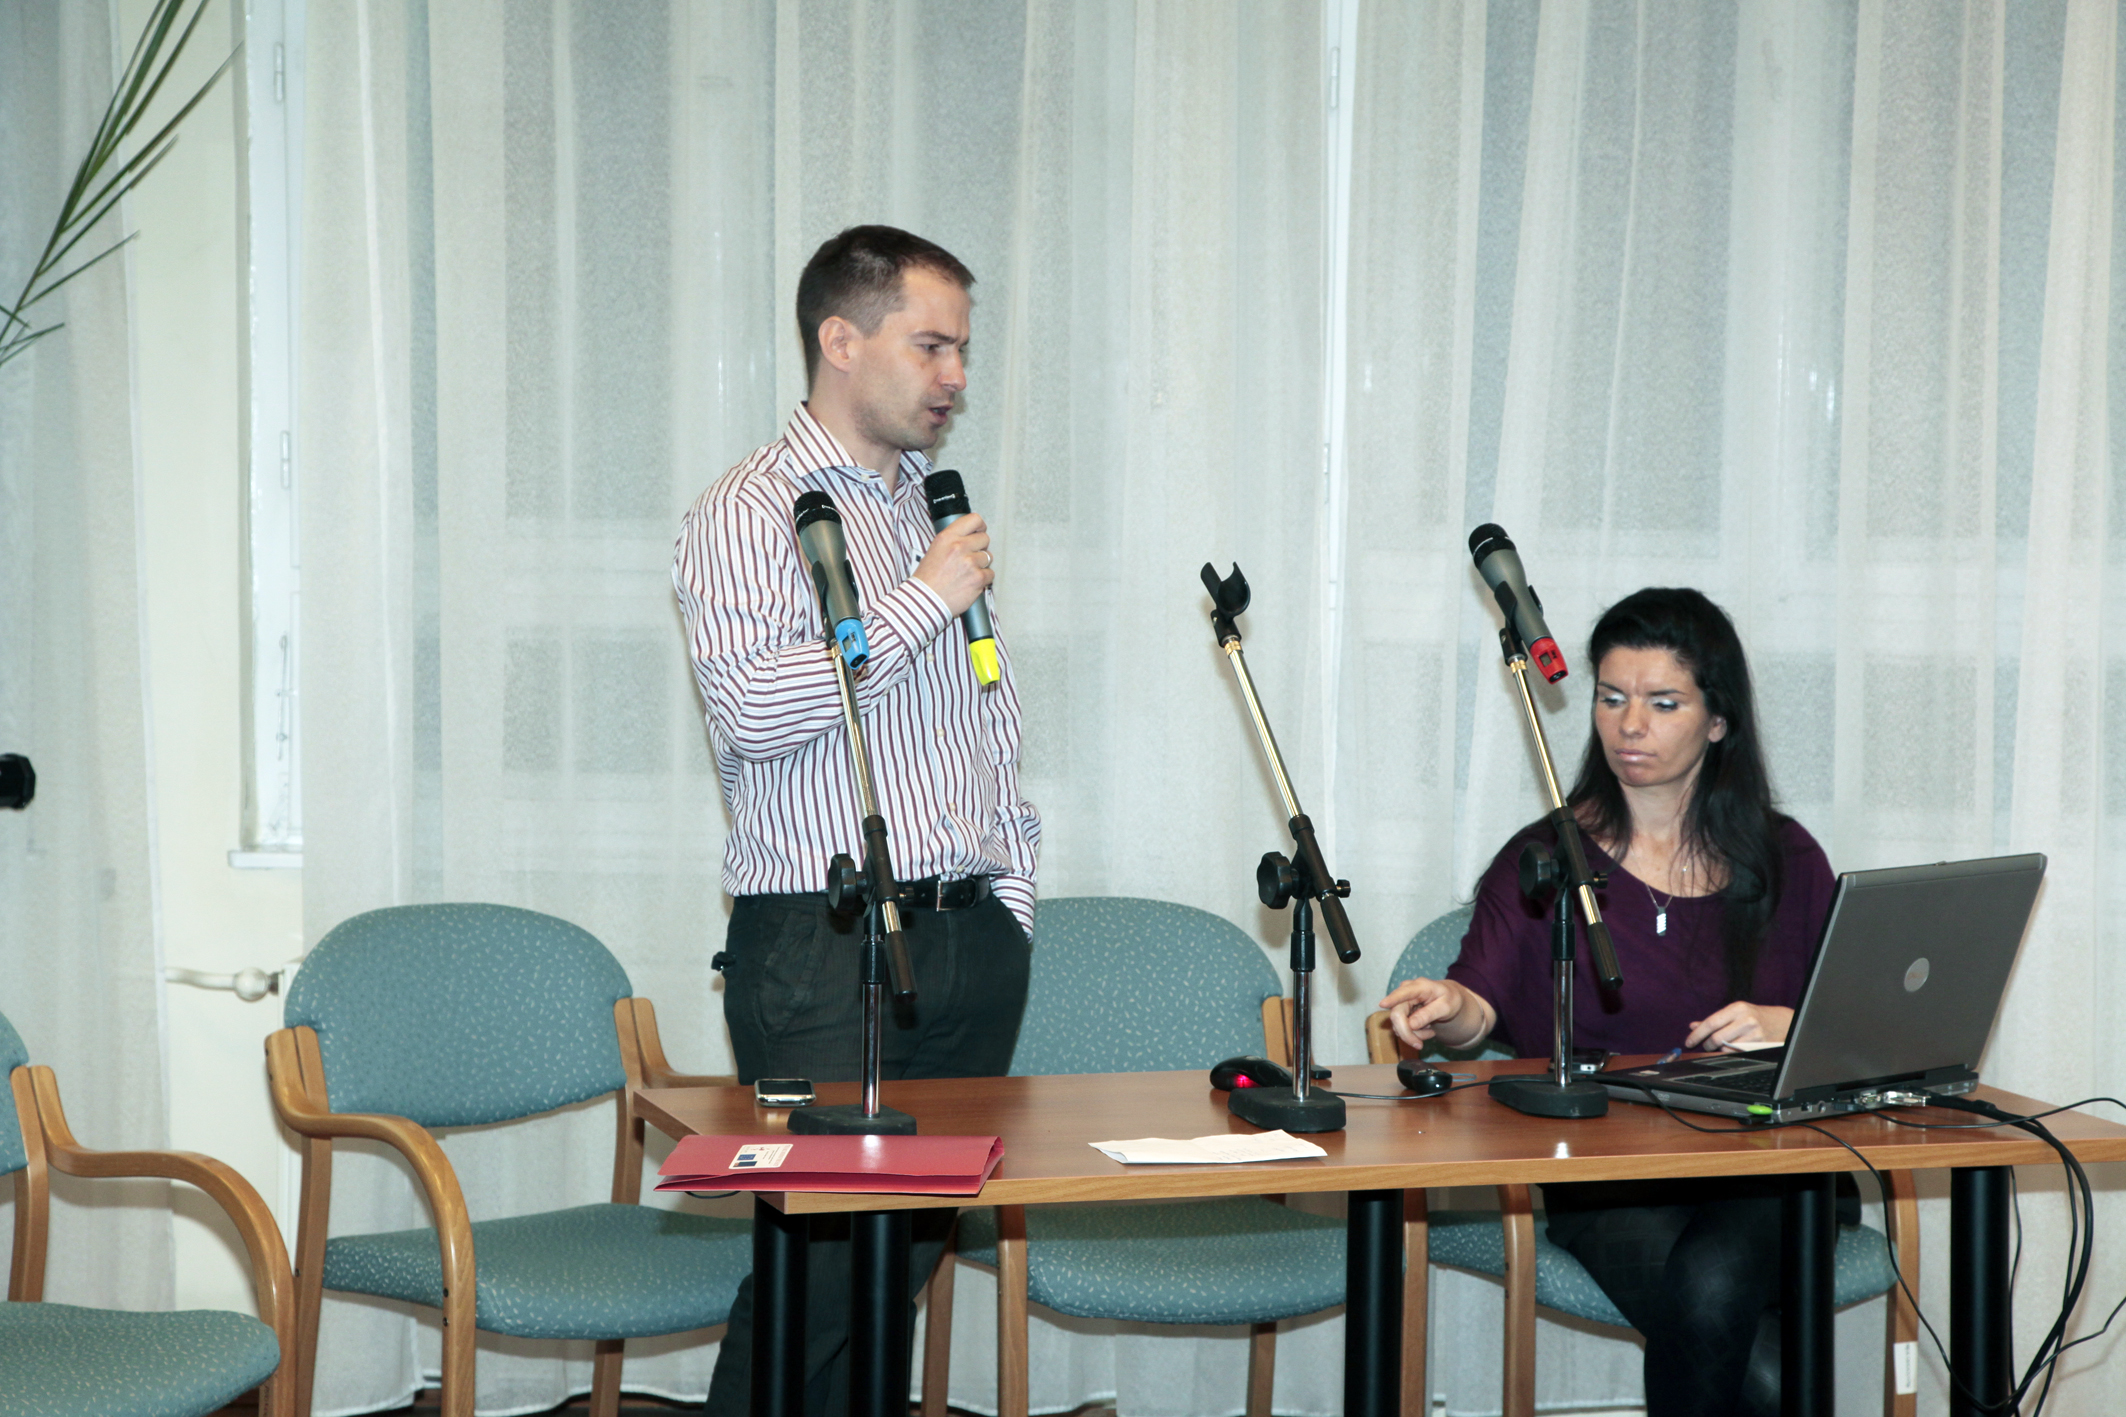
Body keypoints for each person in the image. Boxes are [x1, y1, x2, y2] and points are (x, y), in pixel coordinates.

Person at [673, 225, 1040, 1417]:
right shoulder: (751, 509)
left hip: (965, 940)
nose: (955, 377)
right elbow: (751, 712)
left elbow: (982, 719)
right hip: (824, 948)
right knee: (820, 1281)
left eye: (962, 350)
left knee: (894, 1277)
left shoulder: (925, 508)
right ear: (840, 340)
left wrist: (1008, 903)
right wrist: (924, 597)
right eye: (930, 346)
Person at [1380, 586, 1837, 1417]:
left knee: (1717, 1286)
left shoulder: (1787, 858)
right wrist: (1446, 1002)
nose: (1630, 725)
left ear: (1718, 720)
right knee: (1747, 1347)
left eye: (1663, 702)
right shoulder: (1546, 855)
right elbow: (1478, 1008)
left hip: (1764, 1165)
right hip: (1608, 1177)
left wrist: (1793, 1026)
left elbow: (1861, 1031)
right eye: (1612, 697)